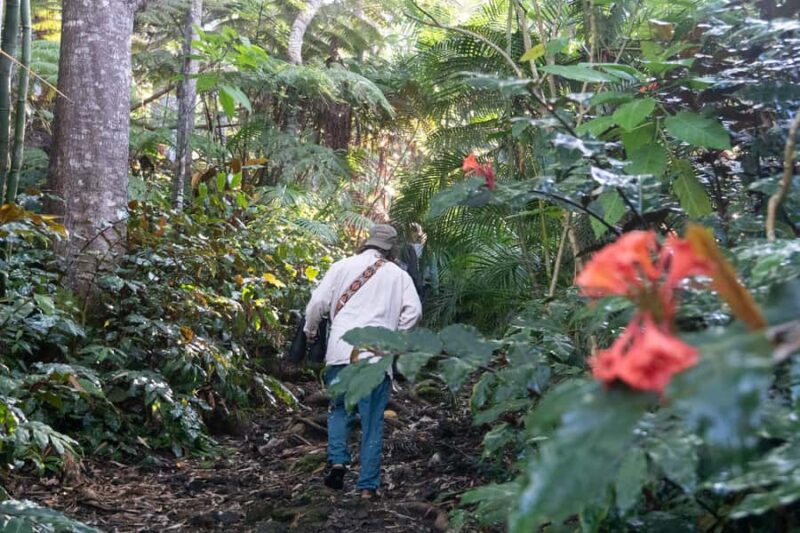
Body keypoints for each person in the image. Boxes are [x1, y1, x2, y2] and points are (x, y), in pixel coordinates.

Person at [304, 224, 422, 499]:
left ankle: (337, 461)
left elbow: (316, 305)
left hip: (340, 352)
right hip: (376, 356)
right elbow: (413, 313)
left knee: (339, 410)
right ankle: (367, 487)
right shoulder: (399, 275)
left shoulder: (341, 266)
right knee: (372, 422)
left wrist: (310, 333)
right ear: (391, 249)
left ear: (366, 242)